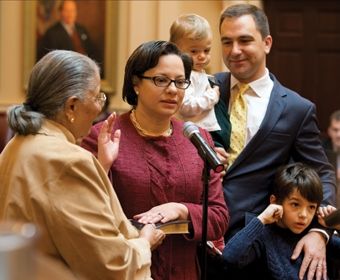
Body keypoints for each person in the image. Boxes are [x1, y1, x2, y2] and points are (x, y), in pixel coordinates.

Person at [0, 50, 165, 280]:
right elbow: (109, 264)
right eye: (97, 97)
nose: (100, 107)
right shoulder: (67, 160)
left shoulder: (16, 144)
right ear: (71, 107)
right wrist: (144, 243)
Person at [81, 40, 229, 280]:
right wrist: (104, 166)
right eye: (161, 80)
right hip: (126, 272)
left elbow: (219, 217)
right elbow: (85, 214)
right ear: (136, 83)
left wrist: (180, 209)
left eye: (180, 82)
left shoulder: (197, 137)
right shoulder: (101, 136)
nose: (173, 90)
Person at [212, 3, 336, 279]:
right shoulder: (204, 90)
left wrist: (319, 231)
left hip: (254, 245)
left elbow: (322, 172)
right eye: (227, 42)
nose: (234, 51)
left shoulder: (296, 108)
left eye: (244, 40)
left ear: (267, 43)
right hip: (198, 234)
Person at [223, 162, 326, 280]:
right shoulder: (264, 236)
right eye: (295, 204)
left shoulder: (315, 236)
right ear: (275, 202)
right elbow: (228, 258)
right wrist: (261, 219)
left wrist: (334, 227)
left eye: (311, 207)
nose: (304, 215)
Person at [169, 14, 231, 151]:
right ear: (176, 50)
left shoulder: (199, 73)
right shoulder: (184, 76)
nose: (202, 55)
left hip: (206, 130)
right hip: (197, 133)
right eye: (194, 51)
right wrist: (212, 97)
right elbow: (186, 106)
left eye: (206, 50)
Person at [322, 110, 340, 206]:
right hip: (327, 199)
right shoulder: (320, 150)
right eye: (335, 130)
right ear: (329, 131)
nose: (339, 135)